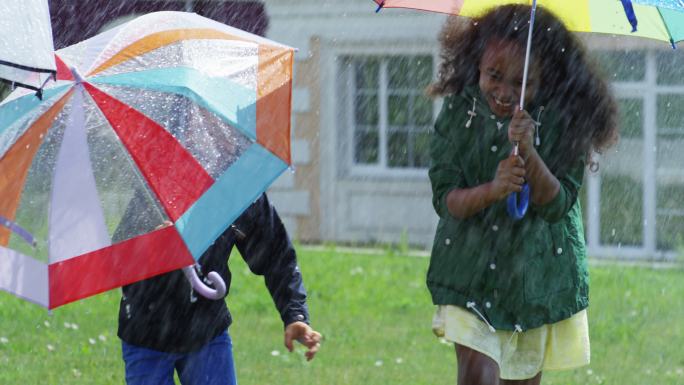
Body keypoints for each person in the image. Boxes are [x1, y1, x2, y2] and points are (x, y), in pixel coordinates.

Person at [426, 5, 618, 385]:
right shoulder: (459, 111)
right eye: (494, 76)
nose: (504, 92)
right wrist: (492, 190)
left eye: (521, 83)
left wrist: (529, 152)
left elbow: (559, 204)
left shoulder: (565, 117)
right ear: (476, 64)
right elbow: (446, 200)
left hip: (535, 277)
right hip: (471, 272)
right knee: (478, 377)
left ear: (544, 80)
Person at [115, 192, 321, 385]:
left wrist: (295, 315)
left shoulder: (237, 188)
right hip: (145, 332)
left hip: (207, 329)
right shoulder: (152, 189)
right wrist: (150, 246)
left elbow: (276, 254)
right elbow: (116, 260)